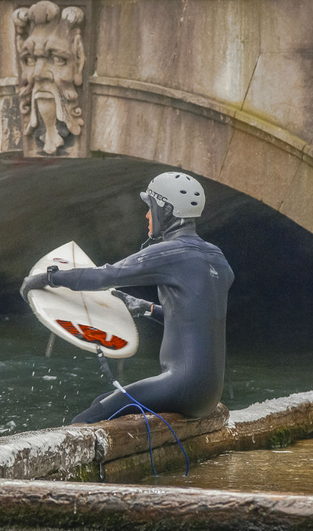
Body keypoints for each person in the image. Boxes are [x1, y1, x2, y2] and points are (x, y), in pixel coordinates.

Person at [20, 172, 234, 424]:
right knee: (106, 401)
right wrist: (144, 308)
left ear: (165, 210)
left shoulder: (170, 253)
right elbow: (194, 320)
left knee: (85, 421)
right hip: (207, 394)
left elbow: (106, 275)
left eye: (150, 207)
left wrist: (49, 278)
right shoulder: (217, 258)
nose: (146, 215)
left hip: (181, 385)